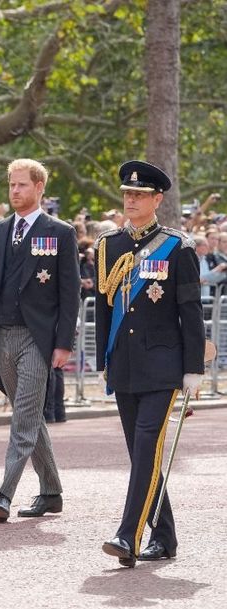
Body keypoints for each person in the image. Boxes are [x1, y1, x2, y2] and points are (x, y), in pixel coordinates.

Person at [95, 161, 205, 567]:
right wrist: (103, 357)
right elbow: (105, 310)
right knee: (143, 455)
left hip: (163, 366)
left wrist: (193, 368)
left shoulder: (177, 246)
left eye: (139, 195)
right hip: (123, 365)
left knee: (145, 448)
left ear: (158, 199)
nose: (131, 199)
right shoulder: (108, 245)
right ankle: (166, 536)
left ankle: (128, 536)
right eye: (127, 193)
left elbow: (190, 311)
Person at [0, 159, 79, 522]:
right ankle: (51, 491)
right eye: (12, 185)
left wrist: (64, 342)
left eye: (23, 185)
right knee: (29, 412)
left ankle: (4, 494)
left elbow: (69, 293)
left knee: (23, 417)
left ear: (40, 188)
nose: (16, 191)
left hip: (38, 340)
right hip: (1, 337)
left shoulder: (60, 232)